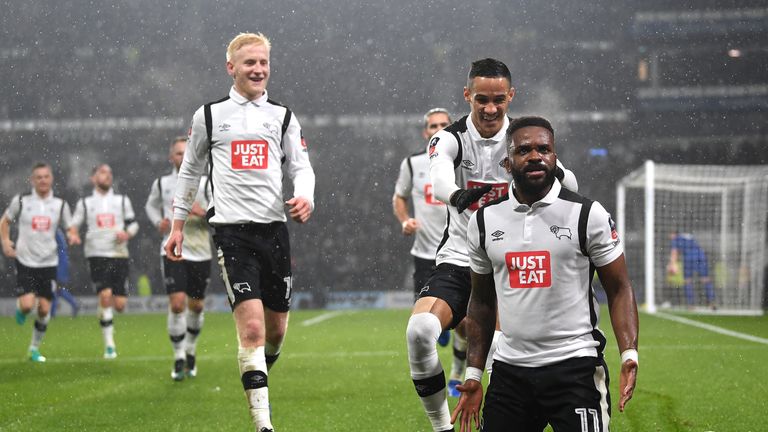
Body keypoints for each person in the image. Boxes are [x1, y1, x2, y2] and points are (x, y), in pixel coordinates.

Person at [406, 58, 580, 432]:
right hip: (460, 256)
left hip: (510, 260)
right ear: (467, 95)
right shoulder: (449, 137)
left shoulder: (522, 141)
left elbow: (571, 183)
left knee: (506, 352)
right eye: (481, 98)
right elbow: (438, 182)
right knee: (419, 332)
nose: (490, 108)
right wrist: (460, 197)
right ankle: (442, 428)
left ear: (511, 96)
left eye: (498, 99)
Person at [164, 32, 315, 432]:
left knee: (276, 331)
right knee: (251, 328)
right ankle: (263, 424)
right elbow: (190, 171)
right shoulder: (209, 116)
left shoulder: (282, 116)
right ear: (231, 67)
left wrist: (305, 196)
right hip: (232, 233)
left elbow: (301, 167)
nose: (258, 69)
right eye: (250, 63)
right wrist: (178, 225)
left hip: (274, 231)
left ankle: (258, 375)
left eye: (263, 62)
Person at [451, 116, 639, 431]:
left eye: (544, 149)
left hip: (576, 368)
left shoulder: (587, 215)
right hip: (510, 371)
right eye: (524, 150)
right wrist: (472, 374)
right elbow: (481, 303)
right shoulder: (483, 222)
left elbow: (619, 288)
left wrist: (629, 353)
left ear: (554, 157)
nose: (536, 156)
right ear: (507, 163)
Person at [393, 108, 468, 398]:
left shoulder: (462, 162)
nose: (438, 129)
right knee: (423, 324)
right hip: (425, 255)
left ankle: (457, 375)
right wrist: (404, 220)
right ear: (425, 132)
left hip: (455, 253)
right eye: (433, 125)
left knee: (463, 324)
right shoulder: (412, 164)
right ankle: (443, 325)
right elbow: (399, 196)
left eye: (443, 125)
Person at [145, 136, 213, 381]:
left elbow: (219, 214)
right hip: (173, 250)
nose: (182, 157)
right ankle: (178, 357)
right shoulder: (162, 184)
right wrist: (158, 222)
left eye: (186, 152)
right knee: (176, 304)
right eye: (177, 153)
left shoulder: (206, 183)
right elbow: (151, 206)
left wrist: (202, 212)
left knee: (196, 306)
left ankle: (191, 349)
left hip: (201, 251)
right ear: (170, 157)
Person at [1, 162, 73, 362]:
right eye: (38, 177)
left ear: (51, 179)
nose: (42, 180)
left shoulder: (60, 205)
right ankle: (21, 308)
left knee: (43, 308)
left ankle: (34, 348)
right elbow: (5, 221)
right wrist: (6, 242)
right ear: (32, 180)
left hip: (49, 263)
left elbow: (70, 227)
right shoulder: (22, 201)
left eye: (46, 176)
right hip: (25, 261)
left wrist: (73, 234)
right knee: (26, 305)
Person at [68, 163, 139, 360]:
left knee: (120, 305)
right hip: (96, 253)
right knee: (106, 296)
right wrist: (73, 235)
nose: (107, 176)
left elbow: (134, 224)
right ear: (93, 178)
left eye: (109, 173)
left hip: (119, 254)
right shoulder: (85, 203)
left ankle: (104, 308)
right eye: (102, 173)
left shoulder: (122, 200)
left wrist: (127, 233)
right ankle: (109, 345)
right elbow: (73, 225)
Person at [667, 232, 715, 307]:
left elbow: (674, 252)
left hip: (689, 258)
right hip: (701, 256)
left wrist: (672, 264)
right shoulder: (688, 236)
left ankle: (690, 304)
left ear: (673, 234)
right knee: (706, 279)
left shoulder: (675, 239)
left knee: (688, 281)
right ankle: (711, 302)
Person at [50, 228, 80, 318]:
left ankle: (52, 314)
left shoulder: (54, 230)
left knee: (56, 289)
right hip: (62, 262)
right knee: (59, 290)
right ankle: (74, 304)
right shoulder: (57, 231)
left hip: (60, 263)